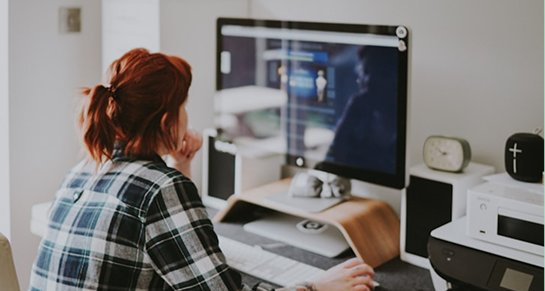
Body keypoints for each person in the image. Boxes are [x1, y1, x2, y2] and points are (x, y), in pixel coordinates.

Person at [29, 48, 375, 291]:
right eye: (184, 106)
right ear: (167, 120)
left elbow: (170, 247)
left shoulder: (84, 169)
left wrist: (180, 166)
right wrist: (318, 286)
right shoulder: (160, 189)